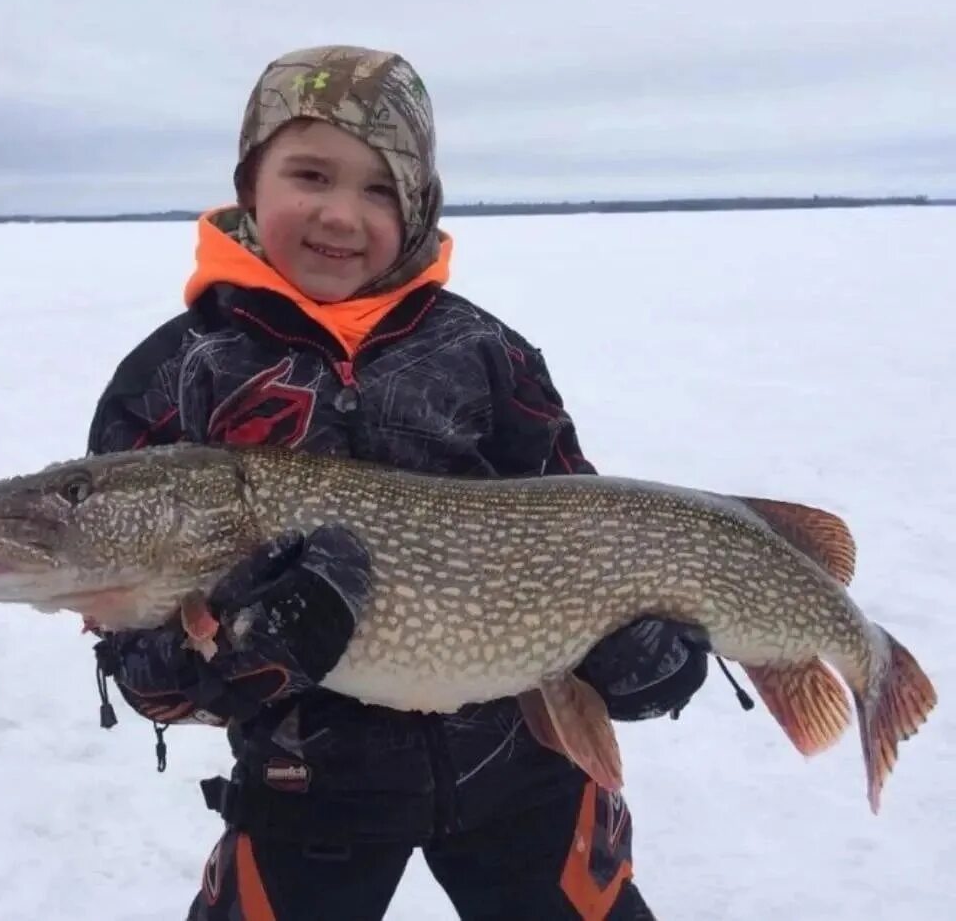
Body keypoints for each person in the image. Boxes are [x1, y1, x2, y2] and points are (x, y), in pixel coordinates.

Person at [88, 45, 709, 920]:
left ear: (417, 206)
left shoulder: (487, 356)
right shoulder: (176, 374)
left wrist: (647, 661)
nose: (343, 214)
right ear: (250, 182)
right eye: (311, 173)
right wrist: (233, 649)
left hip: (527, 777)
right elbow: (142, 670)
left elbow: (587, 527)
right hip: (305, 794)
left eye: (381, 189)